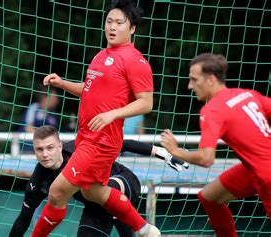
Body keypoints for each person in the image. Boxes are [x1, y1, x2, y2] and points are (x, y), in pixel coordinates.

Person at [31, 1, 161, 236]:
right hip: (86, 137)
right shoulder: (102, 55)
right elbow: (89, 89)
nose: (112, 27)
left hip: (102, 142)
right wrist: (62, 84)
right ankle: (144, 229)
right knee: (93, 192)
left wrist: (113, 114)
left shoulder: (136, 61)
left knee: (57, 191)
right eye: (109, 21)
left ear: (132, 28)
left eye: (119, 23)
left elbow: (146, 102)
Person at [160, 53, 271, 237]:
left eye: (194, 80)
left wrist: (176, 151)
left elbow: (206, 158)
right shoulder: (247, 94)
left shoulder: (211, 110)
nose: (190, 86)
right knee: (209, 197)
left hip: (266, 175)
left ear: (211, 79)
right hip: (253, 169)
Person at [10, 125, 188, 237]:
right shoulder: (37, 182)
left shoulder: (77, 149)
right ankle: (143, 230)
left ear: (60, 146)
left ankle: (143, 228)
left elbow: (122, 144)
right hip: (95, 206)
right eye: (39, 149)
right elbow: (23, 220)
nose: (45, 154)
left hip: (122, 182)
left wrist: (162, 153)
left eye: (49, 148)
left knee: (100, 190)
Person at [20, 88, 60, 153]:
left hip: (47, 149)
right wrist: (44, 137)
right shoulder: (34, 108)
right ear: (45, 98)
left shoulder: (52, 113)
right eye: (54, 98)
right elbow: (29, 128)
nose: (57, 101)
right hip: (29, 149)